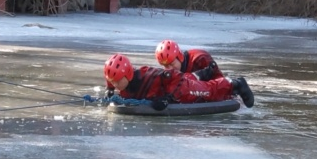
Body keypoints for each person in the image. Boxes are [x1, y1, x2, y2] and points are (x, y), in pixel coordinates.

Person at [104, 53, 254, 110]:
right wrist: (109, 90)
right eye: (113, 81)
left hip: (179, 88)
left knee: (208, 91)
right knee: (193, 80)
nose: (115, 84)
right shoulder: (118, 79)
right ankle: (200, 74)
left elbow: (175, 76)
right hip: (173, 85)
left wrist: (168, 99)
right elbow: (110, 79)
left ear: (128, 74)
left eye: (117, 81)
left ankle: (235, 83)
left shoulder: (149, 76)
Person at [155, 39, 223, 80]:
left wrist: (197, 76)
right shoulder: (168, 73)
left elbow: (220, 81)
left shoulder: (200, 58)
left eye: (172, 64)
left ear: (180, 57)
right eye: (166, 66)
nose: (170, 69)